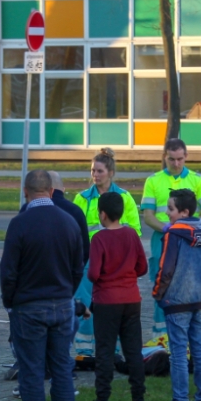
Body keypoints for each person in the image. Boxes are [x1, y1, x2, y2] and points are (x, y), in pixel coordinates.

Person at [1, 170, 84, 401]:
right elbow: (77, 267)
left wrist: (10, 301)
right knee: (62, 371)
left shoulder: (19, 224)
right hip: (62, 304)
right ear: (51, 191)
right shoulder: (69, 222)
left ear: (26, 192)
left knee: (32, 374)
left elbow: (8, 270)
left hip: (28, 307)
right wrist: (66, 293)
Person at [152, 189, 201, 401]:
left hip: (177, 301)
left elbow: (165, 268)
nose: (167, 213)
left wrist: (158, 293)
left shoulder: (173, 234)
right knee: (200, 350)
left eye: (171, 209)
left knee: (179, 353)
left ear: (184, 211)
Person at [141, 138, 201, 341]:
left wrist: (189, 227)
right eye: (171, 159)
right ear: (165, 157)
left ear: (186, 156)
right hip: (162, 237)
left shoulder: (197, 180)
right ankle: (160, 336)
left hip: (189, 239)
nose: (176, 163)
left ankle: (186, 336)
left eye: (180, 159)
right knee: (161, 283)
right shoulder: (153, 180)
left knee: (186, 284)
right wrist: (168, 228)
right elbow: (148, 215)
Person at [72, 148, 141, 357]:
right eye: (93, 171)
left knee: (113, 304)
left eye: (100, 171)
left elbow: (135, 230)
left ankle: (116, 351)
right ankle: (84, 351)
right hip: (89, 258)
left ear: (110, 172)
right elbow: (75, 231)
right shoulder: (82, 198)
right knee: (85, 302)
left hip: (115, 259)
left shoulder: (124, 197)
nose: (95, 175)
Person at [85, 191, 148, 401]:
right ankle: (138, 400)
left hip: (106, 300)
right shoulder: (131, 234)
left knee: (104, 351)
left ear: (102, 214)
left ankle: (102, 400)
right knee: (133, 351)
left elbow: (93, 273)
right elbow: (142, 267)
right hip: (131, 298)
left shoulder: (99, 239)